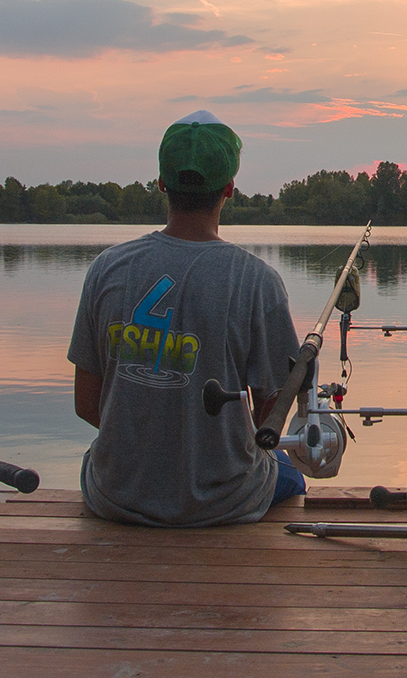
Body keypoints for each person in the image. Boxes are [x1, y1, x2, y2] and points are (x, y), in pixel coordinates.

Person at [68, 110, 305, 526]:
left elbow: (87, 405)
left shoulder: (106, 269)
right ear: (230, 189)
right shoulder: (258, 282)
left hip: (116, 494)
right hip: (224, 501)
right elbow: (272, 416)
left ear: (161, 183)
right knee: (292, 474)